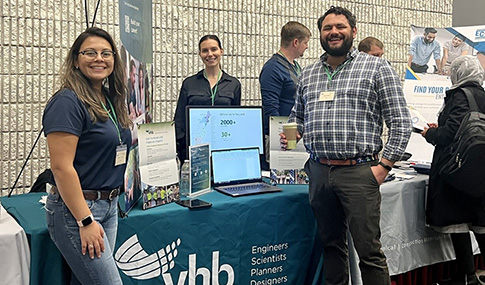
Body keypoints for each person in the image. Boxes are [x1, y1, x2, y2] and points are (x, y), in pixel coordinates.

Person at [281, 6, 411, 284]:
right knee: (331, 246)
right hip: (318, 172)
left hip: (359, 172)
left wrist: (384, 166)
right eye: (327, 28)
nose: (333, 32)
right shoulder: (309, 73)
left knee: (369, 253)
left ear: (353, 31)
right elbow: (297, 117)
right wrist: (290, 137)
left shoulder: (376, 68)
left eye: (340, 26)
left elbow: (400, 122)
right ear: (320, 35)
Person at [42, 27, 132, 284]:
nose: (99, 59)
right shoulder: (67, 102)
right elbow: (61, 168)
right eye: (90, 53)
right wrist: (85, 220)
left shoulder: (108, 98)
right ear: (75, 60)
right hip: (78, 211)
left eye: (106, 53)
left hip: (109, 206)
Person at [421, 55, 485, 285]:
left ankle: (466, 276)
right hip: (479, 170)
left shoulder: (459, 96)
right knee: (479, 224)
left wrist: (430, 134)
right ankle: (469, 276)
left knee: (459, 225)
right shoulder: (482, 95)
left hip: (457, 170)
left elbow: (449, 135)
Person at [174, 35, 241, 162]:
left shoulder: (234, 84)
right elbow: (180, 120)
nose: (210, 54)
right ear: (200, 54)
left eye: (214, 49)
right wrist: (180, 151)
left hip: (222, 149)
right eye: (205, 50)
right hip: (194, 149)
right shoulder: (189, 83)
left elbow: (235, 119)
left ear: (221, 51)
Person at [260, 21, 311, 164]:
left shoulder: (295, 66)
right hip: (282, 137)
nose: (307, 46)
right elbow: (270, 108)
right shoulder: (273, 68)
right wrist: (280, 140)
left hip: (295, 133)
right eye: (305, 42)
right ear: (296, 42)